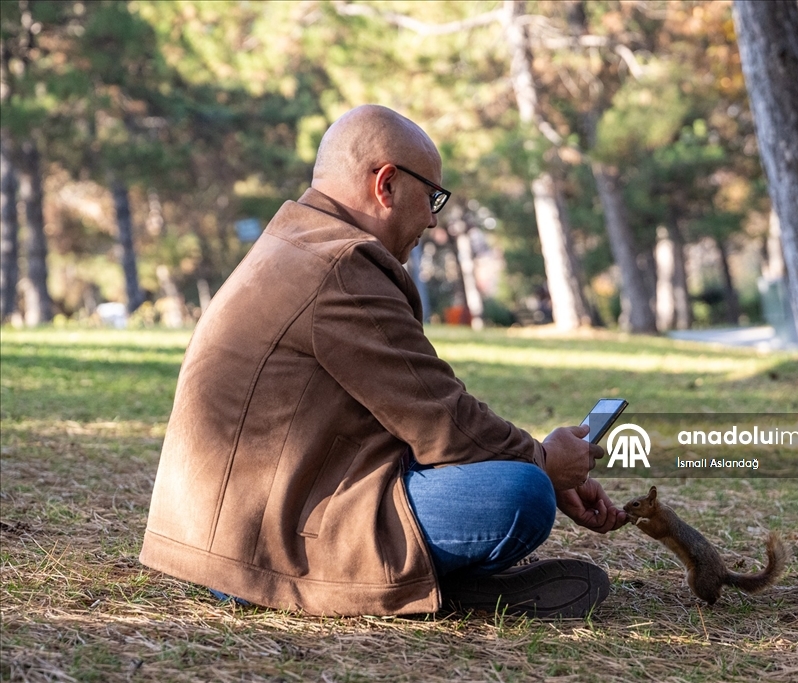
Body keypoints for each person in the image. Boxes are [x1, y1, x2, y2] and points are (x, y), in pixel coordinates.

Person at [140, 104, 628, 618]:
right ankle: (410, 591)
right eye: (431, 195)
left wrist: (533, 456)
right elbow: (441, 420)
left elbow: (416, 418)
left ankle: (426, 586)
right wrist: (543, 463)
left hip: (224, 537)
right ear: (387, 184)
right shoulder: (341, 265)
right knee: (521, 493)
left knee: (513, 476)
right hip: (260, 550)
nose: (433, 219)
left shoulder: (297, 245)